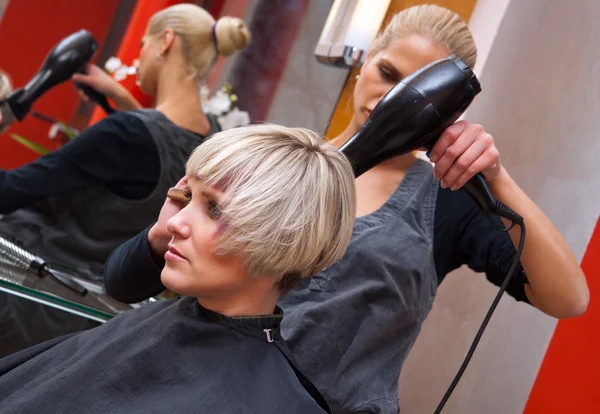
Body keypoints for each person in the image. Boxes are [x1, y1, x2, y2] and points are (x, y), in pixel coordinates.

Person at [104, 5, 589, 413]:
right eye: (387, 74)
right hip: (202, 390)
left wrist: (497, 176)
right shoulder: (274, 163)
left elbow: (569, 300)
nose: (391, 97)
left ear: (449, 109)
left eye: (417, 88)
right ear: (364, 63)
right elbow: (123, 282)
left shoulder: (448, 199)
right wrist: (163, 234)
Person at [0, 124, 355, 413]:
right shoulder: (169, 320)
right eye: (189, 198)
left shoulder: (267, 399)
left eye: (214, 208)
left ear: (281, 240)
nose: (176, 223)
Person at [0, 4, 249, 356]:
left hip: (20, 294)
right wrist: (121, 98)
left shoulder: (125, 135)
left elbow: (8, 192)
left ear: (165, 42)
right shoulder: (214, 143)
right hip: (79, 322)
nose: (140, 56)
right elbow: (164, 145)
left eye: (144, 44)